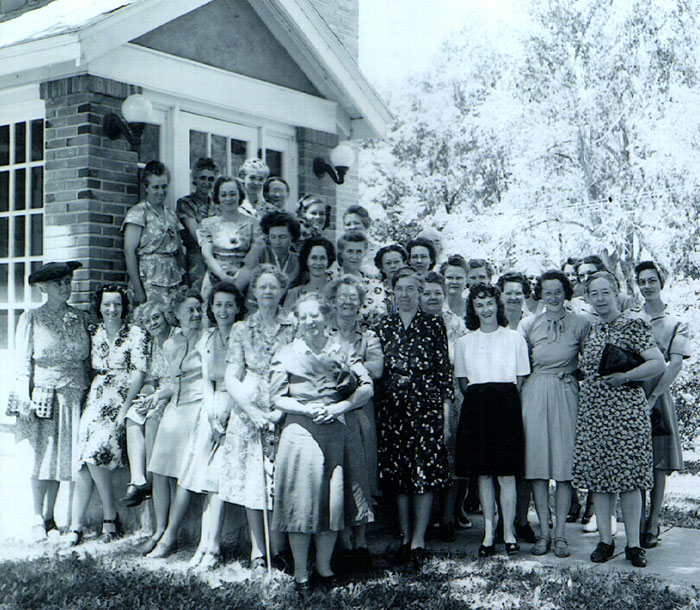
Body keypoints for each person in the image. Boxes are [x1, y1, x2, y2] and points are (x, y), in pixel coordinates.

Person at [269, 293, 373, 591]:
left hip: (335, 432)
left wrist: (340, 407)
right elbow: (276, 396)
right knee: (300, 504)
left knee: (331, 502)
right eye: (304, 317)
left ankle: (325, 569)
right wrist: (305, 408)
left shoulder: (341, 348)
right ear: (297, 321)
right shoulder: (286, 352)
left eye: (315, 315)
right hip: (300, 433)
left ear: (325, 317)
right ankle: (302, 572)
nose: (310, 321)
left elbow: (367, 387)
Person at [571, 271, 664, 568]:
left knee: (630, 480)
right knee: (600, 479)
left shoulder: (633, 323)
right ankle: (605, 540)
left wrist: (626, 376)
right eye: (593, 294)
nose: (599, 299)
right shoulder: (591, 329)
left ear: (616, 292)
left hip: (626, 412)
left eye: (604, 293)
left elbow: (657, 363)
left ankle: (634, 545)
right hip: (595, 412)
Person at [150, 283, 246, 569]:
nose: (195, 314)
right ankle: (168, 534)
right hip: (202, 405)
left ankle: (202, 544)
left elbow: (233, 377)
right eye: (217, 305)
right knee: (176, 468)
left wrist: (220, 411)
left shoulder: (233, 335)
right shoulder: (184, 341)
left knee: (203, 472)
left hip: (222, 405)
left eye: (196, 309)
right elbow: (198, 379)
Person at [219, 265, 297, 569]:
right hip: (248, 411)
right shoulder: (241, 329)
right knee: (252, 481)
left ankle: (279, 549)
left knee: (278, 480)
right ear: (254, 291)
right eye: (262, 286)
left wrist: (280, 410)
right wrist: (250, 410)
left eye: (273, 287)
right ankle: (258, 551)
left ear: (281, 292)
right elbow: (230, 376)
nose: (267, 291)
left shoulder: (294, 325)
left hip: (284, 406)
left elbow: (299, 370)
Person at [374, 267, 453, 565]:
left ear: (419, 292)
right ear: (392, 292)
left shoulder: (434, 325)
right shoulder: (384, 327)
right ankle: (405, 536)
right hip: (393, 409)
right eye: (400, 289)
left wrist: (446, 416)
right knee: (400, 475)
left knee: (424, 473)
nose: (405, 294)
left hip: (426, 409)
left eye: (411, 289)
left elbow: (444, 372)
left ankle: (419, 540)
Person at [13, 261, 90, 541]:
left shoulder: (80, 318)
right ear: (44, 287)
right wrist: (24, 392)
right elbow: (22, 361)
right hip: (43, 394)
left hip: (72, 395)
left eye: (68, 282)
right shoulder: (31, 318)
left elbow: (88, 361)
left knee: (61, 458)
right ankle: (36, 516)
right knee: (40, 455)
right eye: (59, 283)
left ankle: (50, 517)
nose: (65, 287)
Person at [67, 284, 149, 545]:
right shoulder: (93, 332)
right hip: (97, 396)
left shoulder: (136, 334)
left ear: (124, 307)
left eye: (117, 304)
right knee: (83, 459)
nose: (112, 309)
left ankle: (110, 517)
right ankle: (76, 526)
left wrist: (124, 409)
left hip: (123, 395)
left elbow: (139, 373)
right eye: (107, 304)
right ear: (99, 307)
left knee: (94, 451)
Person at [453, 283, 530, 557]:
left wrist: (500, 401)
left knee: (506, 473)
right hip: (477, 407)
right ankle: (488, 532)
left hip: (505, 405)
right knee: (484, 473)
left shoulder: (513, 339)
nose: (485, 310)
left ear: (498, 305)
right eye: (479, 305)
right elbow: (463, 383)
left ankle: (508, 532)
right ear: (473, 309)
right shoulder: (464, 342)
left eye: (489, 304)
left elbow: (520, 379)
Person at [519, 270, 591, 558]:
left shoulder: (581, 324)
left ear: (566, 292)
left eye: (558, 291)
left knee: (563, 467)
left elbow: (591, 362)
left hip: (566, 390)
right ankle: (544, 533)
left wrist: (572, 376)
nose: (553, 296)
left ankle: (561, 533)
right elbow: (521, 366)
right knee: (537, 467)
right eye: (547, 291)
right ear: (540, 294)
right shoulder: (528, 325)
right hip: (535, 392)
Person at [326, 276, 384, 564]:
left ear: (361, 304)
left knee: (362, 472)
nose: (347, 301)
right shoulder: (324, 334)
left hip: (360, 412)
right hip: (331, 412)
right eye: (343, 296)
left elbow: (377, 368)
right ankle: (342, 539)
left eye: (353, 298)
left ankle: (361, 541)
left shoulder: (368, 336)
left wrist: (345, 367)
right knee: (338, 472)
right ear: (333, 301)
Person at [143, 288, 204, 557]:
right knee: (159, 469)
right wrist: (157, 396)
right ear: (176, 315)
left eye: (198, 309)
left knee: (183, 473)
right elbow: (171, 382)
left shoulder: (208, 340)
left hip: (198, 407)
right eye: (190, 310)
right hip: (175, 407)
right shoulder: (171, 343)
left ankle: (171, 535)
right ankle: (158, 529)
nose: (196, 314)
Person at [635, 261, 690, 549]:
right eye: (642, 281)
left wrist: (654, 396)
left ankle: (652, 521)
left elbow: (676, 363)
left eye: (651, 280)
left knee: (657, 462)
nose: (647, 286)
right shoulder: (631, 317)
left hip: (658, 395)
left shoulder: (675, 321)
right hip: (631, 395)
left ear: (661, 282)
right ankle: (635, 519)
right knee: (634, 461)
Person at [420, 271, 467, 542]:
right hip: (420, 397)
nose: (433, 297)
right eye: (427, 293)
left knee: (451, 457)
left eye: (437, 292)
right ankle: (425, 519)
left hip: (451, 394)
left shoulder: (454, 323)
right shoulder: (413, 322)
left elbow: (461, 360)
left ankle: (448, 516)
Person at [120, 301, 172, 508]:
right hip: (157, 393)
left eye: (156, 317)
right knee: (133, 415)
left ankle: (151, 480)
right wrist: (145, 397)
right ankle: (138, 480)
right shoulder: (150, 345)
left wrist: (156, 396)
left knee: (151, 422)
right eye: (146, 321)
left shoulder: (177, 338)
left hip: (175, 393)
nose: (152, 323)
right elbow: (150, 380)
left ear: (165, 316)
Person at [122, 161, 185, 306]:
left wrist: (184, 280)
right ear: (146, 187)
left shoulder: (170, 215)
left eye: (164, 186)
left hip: (173, 279)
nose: (160, 191)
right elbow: (129, 252)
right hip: (149, 280)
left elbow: (179, 251)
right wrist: (139, 291)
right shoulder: (138, 213)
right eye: (155, 187)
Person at [197, 176, 260, 299]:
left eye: (232, 194)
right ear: (218, 198)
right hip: (215, 275)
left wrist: (238, 281)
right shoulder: (207, 224)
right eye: (224, 195)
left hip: (245, 276)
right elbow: (207, 256)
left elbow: (253, 257)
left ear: (239, 196)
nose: (228, 199)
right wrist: (223, 276)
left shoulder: (254, 223)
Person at [176, 157, 218, 291]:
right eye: (203, 178)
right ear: (195, 179)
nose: (206, 182)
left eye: (210, 179)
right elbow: (197, 235)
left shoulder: (217, 206)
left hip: (218, 258)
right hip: (197, 259)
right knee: (198, 295)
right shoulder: (186, 203)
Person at [335, 230, 387, 325]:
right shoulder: (333, 282)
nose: (354, 256)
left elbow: (381, 315)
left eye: (358, 252)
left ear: (365, 253)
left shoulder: (374, 285)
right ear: (341, 253)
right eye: (350, 251)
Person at [245, 211, 301, 291]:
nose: (277, 242)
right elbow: (239, 285)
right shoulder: (259, 253)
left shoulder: (298, 261)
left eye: (282, 237)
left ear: (292, 236)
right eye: (273, 237)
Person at [283, 236, 336, 310]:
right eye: (314, 258)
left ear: (328, 260)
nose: (318, 263)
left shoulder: (336, 291)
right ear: (306, 260)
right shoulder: (294, 294)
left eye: (322, 258)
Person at [373, 243, 407, 313]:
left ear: (404, 263)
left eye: (396, 262)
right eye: (388, 263)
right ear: (381, 267)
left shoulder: (414, 287)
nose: (393, 266)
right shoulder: (374, 289)